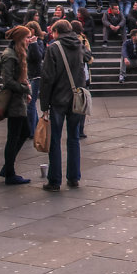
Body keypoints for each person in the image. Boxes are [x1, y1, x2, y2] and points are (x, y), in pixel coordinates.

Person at [41, 19, 86, 191]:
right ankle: (74, 177)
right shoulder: (79, 45)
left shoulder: (53, 48)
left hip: (58, 98)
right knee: (74, 137)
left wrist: (44, 103)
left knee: (55, 139)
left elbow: (47, 78)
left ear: (56, 32)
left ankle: (54, 180)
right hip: (76, 98)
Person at [0, 26, 33, 185]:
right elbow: (8, 81)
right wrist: (25, 88)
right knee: (13, 137)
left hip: (18, 100)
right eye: (27, 37)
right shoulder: (10, 56)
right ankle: (9, 173)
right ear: (19, 39)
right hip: (13, 102)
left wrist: (26, 91)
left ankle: (7, 167)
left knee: (23, 132)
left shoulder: (17, 53)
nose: (29, 40)